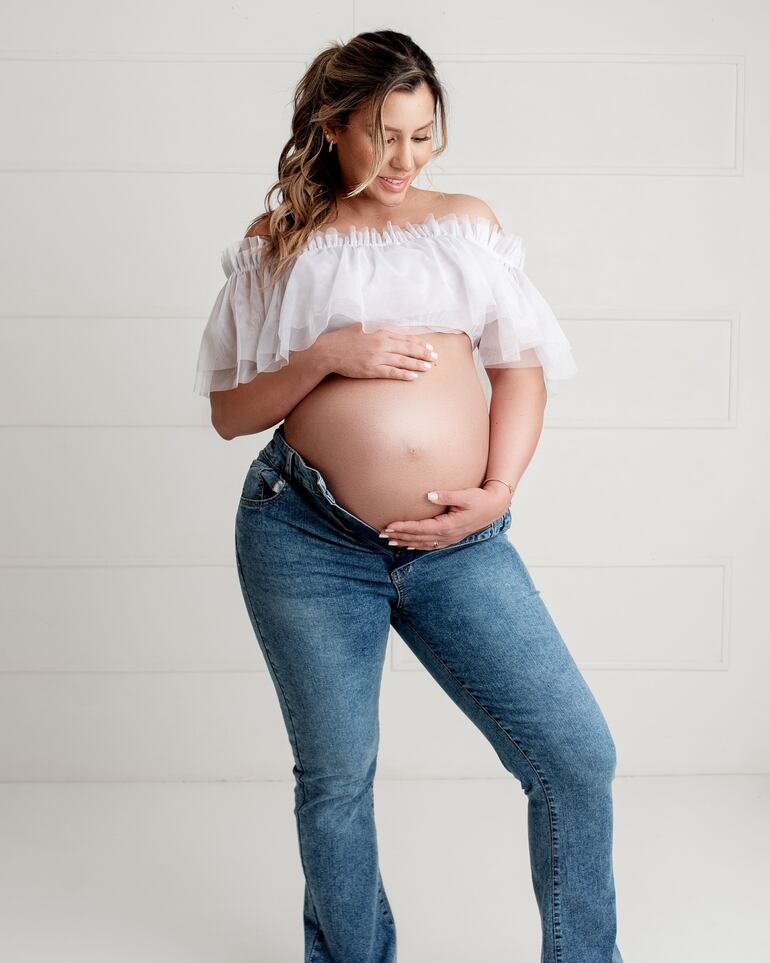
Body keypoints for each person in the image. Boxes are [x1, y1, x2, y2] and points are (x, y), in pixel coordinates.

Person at [193, 28, 624, 963]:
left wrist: (497, 488)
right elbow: (231, 412)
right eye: (384, 134)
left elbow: (520, 370)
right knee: (338, 777)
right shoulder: (282, 242)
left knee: (576, 755)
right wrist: (323, 357)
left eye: (423, 134)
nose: (406, 158)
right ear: (334, 125)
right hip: (305, 536)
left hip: (457, 540)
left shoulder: (464, 224)